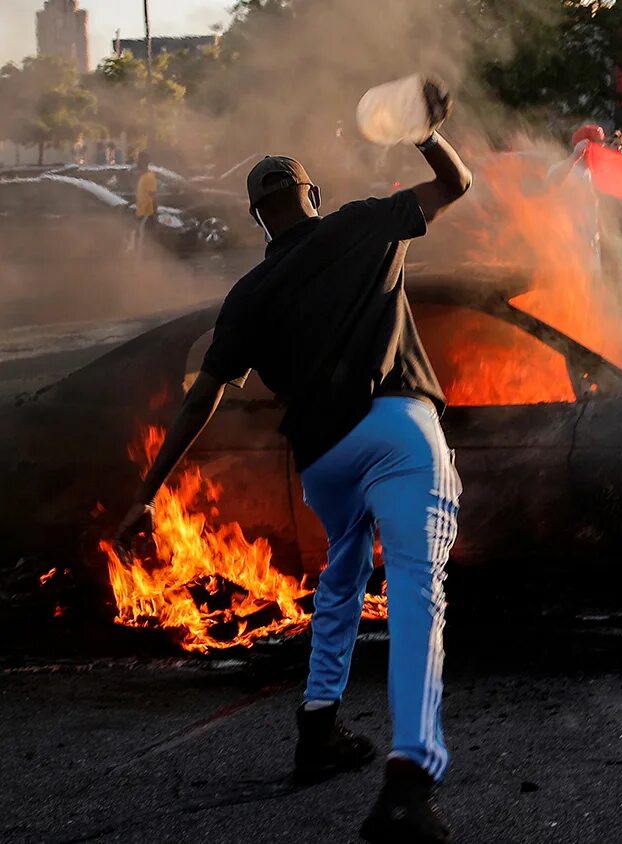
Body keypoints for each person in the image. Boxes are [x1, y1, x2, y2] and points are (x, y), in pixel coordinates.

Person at [113, 82, 471, 843]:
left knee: (344, 568)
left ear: (256, 217)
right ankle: (408, 781)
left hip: (323, 461)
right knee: (415, 587)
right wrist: (425, 131)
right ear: (312, 194)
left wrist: (149, 490)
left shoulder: (246, 295)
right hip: (397, 427)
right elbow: (454, 184)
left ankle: (318, 727)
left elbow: (200, 398)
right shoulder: (359, 224)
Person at [132, 151, 159, 252]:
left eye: (138, 159)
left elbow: (153, 197)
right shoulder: (143, 176)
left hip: (146, 215)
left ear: (143, 162)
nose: (137, 162)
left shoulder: (149, 177)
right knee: (140, 241)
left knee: (142, 243)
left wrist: (154, 213)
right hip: (141, 213)